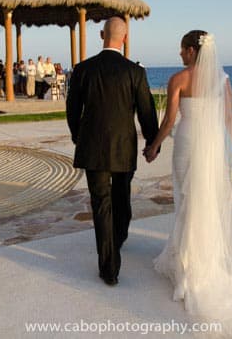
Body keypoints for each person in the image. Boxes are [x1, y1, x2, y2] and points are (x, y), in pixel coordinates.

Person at [143, 31, 232, 338]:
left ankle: (188, 268)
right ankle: (199, 264)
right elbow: (229, 119)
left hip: (186, 145)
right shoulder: (222, 80)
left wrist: (153, 146)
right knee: (205, 203)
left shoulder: (178, 79)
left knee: (186, 201)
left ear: (193, 51)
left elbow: (169, 122)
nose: (180, 55)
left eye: (182, 50)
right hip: (211, 148)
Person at [66, 17, 159, 286]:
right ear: (125, 38)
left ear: (101, 34)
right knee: (121, 200)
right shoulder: (135, 72)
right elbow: (146, 111)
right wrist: (152, 143)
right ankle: (115, 244)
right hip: (123, 148)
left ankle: (109, 266)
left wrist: (78, 136)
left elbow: (73, 110)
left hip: (92, 147)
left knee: (101, 204)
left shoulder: (83, 69)